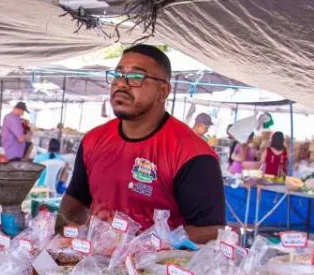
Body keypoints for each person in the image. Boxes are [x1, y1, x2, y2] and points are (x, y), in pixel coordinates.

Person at [58, 44, 225, 244]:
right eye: (117, 75)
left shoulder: (193, 155)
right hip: (93, 266)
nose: (121, 84)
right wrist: (59, 241)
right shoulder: (93, 140)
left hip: (157, 270)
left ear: (163, 91)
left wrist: (143, 249)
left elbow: (209, 233)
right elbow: (75, 202)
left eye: (136, 78)